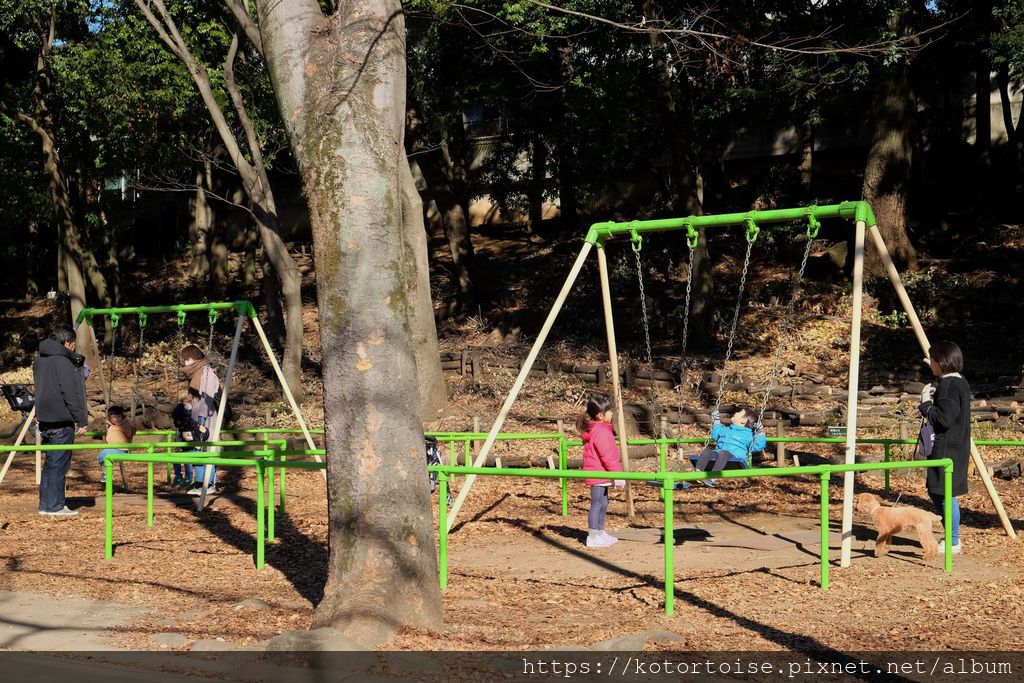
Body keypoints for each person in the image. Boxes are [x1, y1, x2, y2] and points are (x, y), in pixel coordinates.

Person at [919, 340, 971, 555]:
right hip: (956, 446)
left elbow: (944, 419)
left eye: (932, 360)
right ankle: (951, 536)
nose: (930, 364)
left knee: (945, 494)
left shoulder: (949, 386)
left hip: (946, 448)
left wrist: (926, 405)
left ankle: (953, 540)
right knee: (938, 492)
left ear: (941, 362)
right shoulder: (960, 382)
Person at [33, 323, 89, 516]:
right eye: (72, 344)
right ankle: (55, 506)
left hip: (45, 419)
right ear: (67, 343)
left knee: (50, 465)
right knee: (59, 465)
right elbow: (70, 394)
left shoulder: (40, 359)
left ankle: (46, 505)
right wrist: (81, 420)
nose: (73, 348)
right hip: (61, 421)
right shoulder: (63, 361)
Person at [577, 394, 625, 549]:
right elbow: (607, 455)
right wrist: (617, 475)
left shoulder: (601, 430)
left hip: (602, 472)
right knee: (597, 503)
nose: (611, 414)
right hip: (598, 472)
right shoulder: (601, 432)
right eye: (609, 411)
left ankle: (600, 531)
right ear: (600, 416)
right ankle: (593, 536)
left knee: (603, 503)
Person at [180, 344, 221, 496]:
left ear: (196, 358)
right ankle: (199, 482)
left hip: (206, 415)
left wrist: (202, 417)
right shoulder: (195, 374)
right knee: (196, 449)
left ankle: (209, 483)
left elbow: (207, 396)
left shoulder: (207, 372)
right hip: (195, 415)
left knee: (207, 449)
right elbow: (193, 398)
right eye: (184, 360)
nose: (186, 363)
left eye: (188, 359)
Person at [692, 406, 767, 487]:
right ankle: (697, 474)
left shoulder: (747, 435)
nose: (735, 413)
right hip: (719, 454)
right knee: (707, 452)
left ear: (743, 421)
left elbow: (758, 446)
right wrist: (716, 420)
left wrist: (760, 432)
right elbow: (716, 434)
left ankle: (712, 478)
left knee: (724, 453)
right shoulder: (726, 429)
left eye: (738, 413)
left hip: (736, 458)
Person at [98, 405, 135, 485]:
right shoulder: (111, 425)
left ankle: (106, 474)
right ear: (110, 418)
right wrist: (109, 425)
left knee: (104, 454)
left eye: (118, 417)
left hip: (122, 450)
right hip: (114, 449)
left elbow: (129, 433)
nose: (116, 419)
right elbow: (103, 420)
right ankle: (105, 473)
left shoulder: (125, 424)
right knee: (102, 455)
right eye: (114, 417)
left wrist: (115, 426)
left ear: (122, 416)